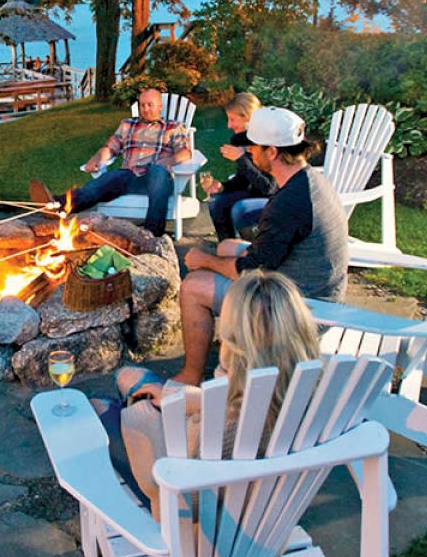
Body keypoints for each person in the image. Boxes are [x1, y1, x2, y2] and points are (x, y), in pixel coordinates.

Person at [115, 271, 321, 517]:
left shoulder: (228, 425)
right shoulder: (303, 389)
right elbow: (232, 405)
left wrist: (144, 411)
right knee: (130, 378)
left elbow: (179, 473)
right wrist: (177, 397)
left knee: (101, 407)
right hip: (254, 497)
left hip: (181, 499)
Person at [173, 106, 348, 386]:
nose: (251, 153)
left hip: (300, 309)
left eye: (254, 148)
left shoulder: (289, 203)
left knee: (193, 286)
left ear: (272, 152)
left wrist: (203, 261)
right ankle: (229, 332)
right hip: (318, 287)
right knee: (227, 246)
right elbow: (268, 252)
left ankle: (191, 376)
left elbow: (250, 271)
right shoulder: (309, 180)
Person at [33, 88, 192, 238]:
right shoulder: (127, 124)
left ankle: (151, 235)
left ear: (160, 106)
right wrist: (96, 159)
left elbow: (185, 152)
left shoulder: (174, 127)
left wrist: (167, 161)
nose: (145, 109)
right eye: (142, 105)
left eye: (150, 105)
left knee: (157, 171)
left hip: (157, 179)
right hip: (129, 176)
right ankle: (58, 205)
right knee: (107, 179)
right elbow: (111, 148)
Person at [202, 92, 276, 240]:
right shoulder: (243, 141)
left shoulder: (269, 141)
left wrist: (241, 158)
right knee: (216, 201)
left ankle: (252, 249)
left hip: (276, 197)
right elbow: (244, 180)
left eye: (232, 119)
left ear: (248, 118)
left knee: (239, 208)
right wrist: (222, 187)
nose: (229, 125)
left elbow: (268, 188)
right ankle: (227, 246)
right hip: (255, 192)